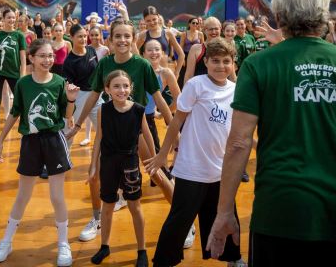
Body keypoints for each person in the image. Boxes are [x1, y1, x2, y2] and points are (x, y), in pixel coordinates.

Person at [207, 0, 336, 267]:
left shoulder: (258, 65)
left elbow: (238, 143)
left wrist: (224, 213)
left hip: (279, 214)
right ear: (325, 15)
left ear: (279, 16)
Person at [68, 19, 179, 244]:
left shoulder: (142, 65)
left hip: (136, 128)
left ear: (134, 38)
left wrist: (174, 132)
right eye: (117, 36)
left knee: (157, 174)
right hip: (110, 130)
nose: (122, 40)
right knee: (95, 175)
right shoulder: (104, 64)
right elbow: (93, 95)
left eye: (127, 36)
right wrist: (77, 125)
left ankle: (183, 223)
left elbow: (159, 99)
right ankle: (97, 219)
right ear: (110, 39)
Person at [145, 38, 246, 267]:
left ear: (234, 64)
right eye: (215, 61)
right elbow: (176, 121)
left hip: (220, 169)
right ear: (206, 61)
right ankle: (163, 261)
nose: (221, 66)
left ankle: (233, 258)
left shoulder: (236, 90)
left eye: (226, 61)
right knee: (179, 219)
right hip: (192, 168)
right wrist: (163, 154)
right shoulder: (196, 85)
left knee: (226, 214)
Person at [0, 39, 79, 266]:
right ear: (31, 58)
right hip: (30, 142)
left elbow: (67, 115)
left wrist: (71, 99)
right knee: (23, 195)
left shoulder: (59, 82)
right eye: (42, 55)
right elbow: (15, 112)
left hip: (54, 140)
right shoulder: (23, 83)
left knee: (56, 196)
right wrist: (1, 139)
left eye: (50, 56)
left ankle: (63, 243)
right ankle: (6, 241)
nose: (48, 60)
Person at [88, 70, 153, 267]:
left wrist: (155, 159)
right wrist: (93, 165)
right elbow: (98, 137)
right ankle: (104, 246)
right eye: (116, 86)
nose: (121, 90)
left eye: (125, 86)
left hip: (130, 162)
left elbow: (147, 135)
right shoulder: (103, 109)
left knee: (134, 206)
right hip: (108, 163)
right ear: (107, 89)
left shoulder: (138, 110)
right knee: (107, 205)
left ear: (131, 88)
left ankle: (141, 250)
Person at [0, 8, 26, 140]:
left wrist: (23, 74)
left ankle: (25, 127)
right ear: (3, 19)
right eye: (9, 17)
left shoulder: (19, 35)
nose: (11, 20)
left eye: (13, 17)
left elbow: (23, 56)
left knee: (21, 100)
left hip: (14, 72)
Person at [63, 24, 101, 148]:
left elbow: (97, 71)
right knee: (68, 130)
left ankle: (105, 157)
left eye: (85, 36)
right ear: (71, 37)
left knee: (104, 128)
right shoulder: (69, 61)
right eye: (80, 36)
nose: (84, 39)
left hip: (95, 95)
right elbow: (68, 87)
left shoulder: (91, 50)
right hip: (78, 97)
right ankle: (63, 157)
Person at [136, 6, 184, 79]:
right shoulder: (143, 35)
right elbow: (133, 53)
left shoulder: (167, 33)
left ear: (158, 17)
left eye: (154, 19)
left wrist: (177, 73)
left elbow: (181, 54)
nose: (152, 23)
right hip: (148, 76)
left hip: (164, 77)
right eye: (148, 21)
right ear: (144, 20)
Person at [183, 17, 221, 85]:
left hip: (220, 89)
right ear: (205, 30)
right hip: (200, 89)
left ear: (220, 29)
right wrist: (186, 91)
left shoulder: (226, 48)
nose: (214, 32)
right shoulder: (195, 49)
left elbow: (232, 76)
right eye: (211, 29)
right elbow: (189, 75)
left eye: (216, 29)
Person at [177, 17, 204, 89]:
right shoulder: (184, 34)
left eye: (197, 23)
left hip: (196, 56)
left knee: (196, 73)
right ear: (189, 24)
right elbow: (181, 47)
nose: (195, 24)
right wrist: (182, 59)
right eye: (193, 23)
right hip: (186, 55)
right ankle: (182, 90)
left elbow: (202, 46)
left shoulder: (200, 34)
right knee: (183, 74)